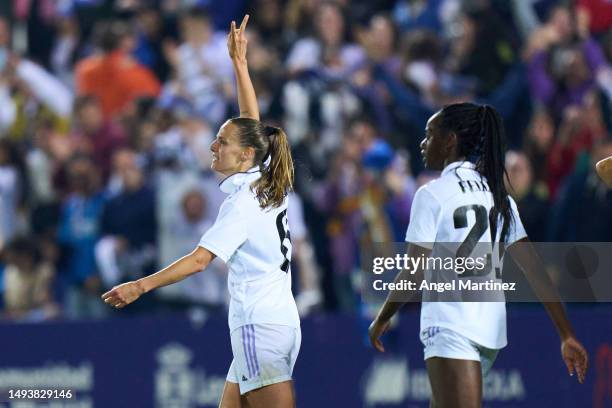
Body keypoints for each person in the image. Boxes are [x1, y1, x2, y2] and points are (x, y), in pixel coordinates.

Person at [101, 15, 301, 408]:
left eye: (221, 141)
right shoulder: (266, 181)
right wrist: (239, 65)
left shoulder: (241, 204)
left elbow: (198, 262)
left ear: (245, 155)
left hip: (258, 326)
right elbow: (252, 126)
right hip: (276, 323)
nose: (213, 146)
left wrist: (140, 286)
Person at [368, 103, 589, 408]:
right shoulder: (498, 195)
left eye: (429, 134)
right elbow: (535, 270)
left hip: (449, 324)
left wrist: (382, 317)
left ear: (450, 141)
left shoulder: (432, 194)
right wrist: (566, 333)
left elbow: (414, 272)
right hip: (489, 330)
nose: (423, 143)